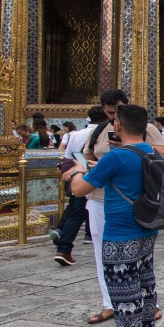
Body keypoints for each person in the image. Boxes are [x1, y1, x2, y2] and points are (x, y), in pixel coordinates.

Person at [64, 104, 161, 327]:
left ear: (118, 126)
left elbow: (79, 190)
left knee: (123, 289)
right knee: (145, 283)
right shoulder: (151, 152)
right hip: (146, 227)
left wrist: (77, 170)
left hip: (121, 232)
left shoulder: (116, 157)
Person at [82, 89, 164, 326]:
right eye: (109, 113)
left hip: (135, 201)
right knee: (103, 254)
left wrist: (125, 148)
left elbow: (161, 158)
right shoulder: (99, 131)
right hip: (100, 197)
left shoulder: (144, 129)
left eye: (116, 112)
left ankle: (149, 305)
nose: (113, 118)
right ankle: (109, 303)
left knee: (140, 258)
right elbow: (87, 155)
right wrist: (98, 167)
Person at [50, 105, 106, 266]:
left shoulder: (75, 135)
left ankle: (64, 245)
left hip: (78, 176)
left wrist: (73, 175)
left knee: (76, 211)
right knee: (82, 213)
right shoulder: (103, 134)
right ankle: (64, 247)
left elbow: (67, 159)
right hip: (96, 178)